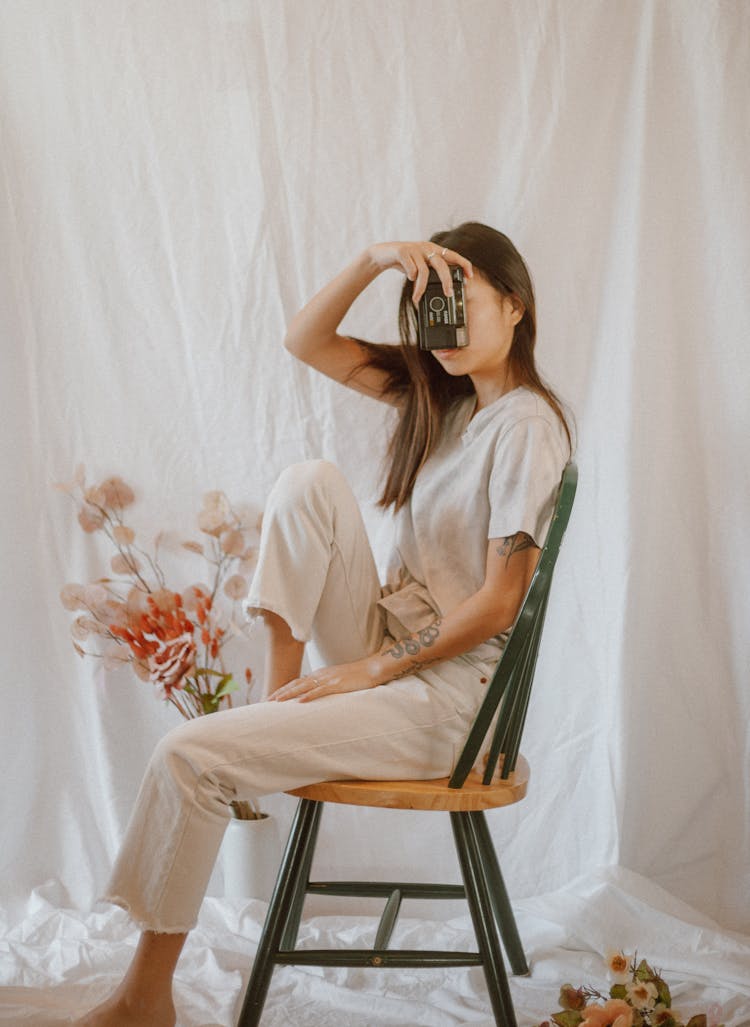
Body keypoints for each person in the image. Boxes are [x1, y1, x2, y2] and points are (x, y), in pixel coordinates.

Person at [77, 222, 572, 1026]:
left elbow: (500, 602)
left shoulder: (526, 425)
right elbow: (304, 338)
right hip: (392, 645)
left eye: (462, 299)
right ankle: (282, 698)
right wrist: (378, 260)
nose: (441, 321)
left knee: (188, 753)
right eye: (429, 304)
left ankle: (144, 997)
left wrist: (377, 668)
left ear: (515, 307)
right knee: (308, 481)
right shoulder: (442, 404)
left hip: (451, 704)